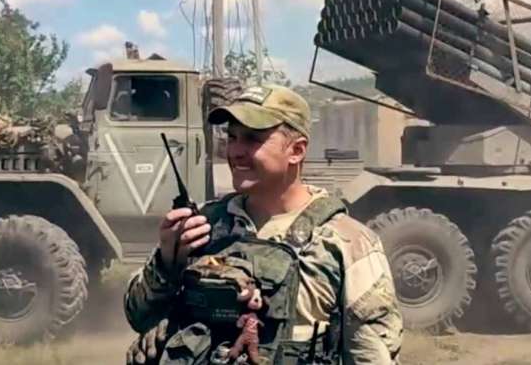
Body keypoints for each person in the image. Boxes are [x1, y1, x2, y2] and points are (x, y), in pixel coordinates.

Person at [124, 84, 403, 364]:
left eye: (252, 139)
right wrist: (166, 263)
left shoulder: (345, 242)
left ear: (296, 150)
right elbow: (138, 317)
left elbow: (372, 355)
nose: (235, 151)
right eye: (232, 137)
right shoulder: (203, 227)